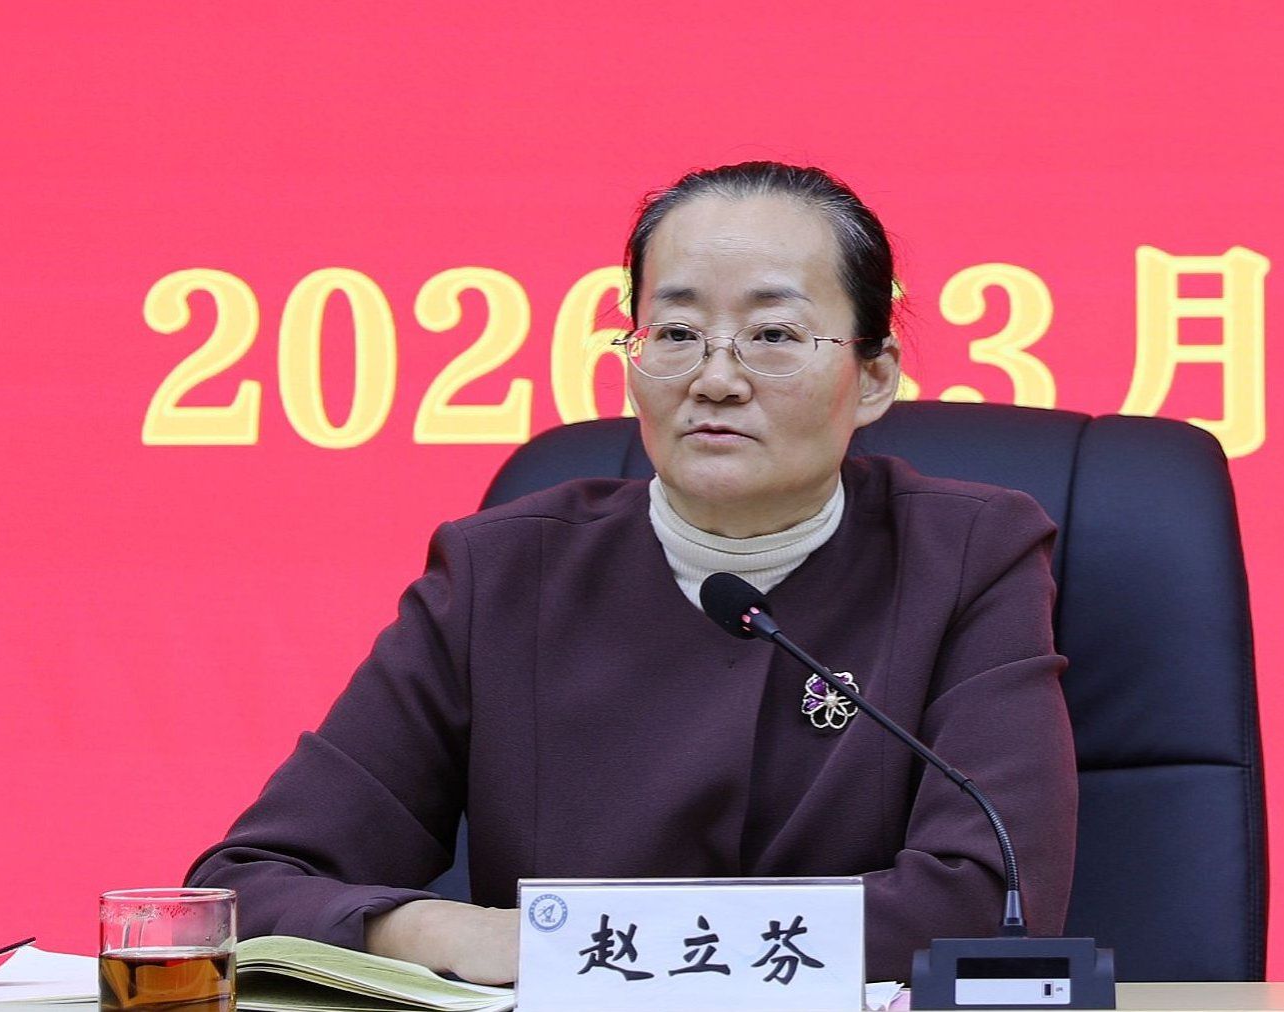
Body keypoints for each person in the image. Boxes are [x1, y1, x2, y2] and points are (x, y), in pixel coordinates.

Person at [186, 161, 1078, 984]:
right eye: (677, 332)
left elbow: (988, 905)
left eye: (773, 334)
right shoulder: (501, 573)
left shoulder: (968, 556)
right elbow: (249, 891)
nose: (716, 379)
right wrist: (443, 933)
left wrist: (574, 942)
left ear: (874, 377)